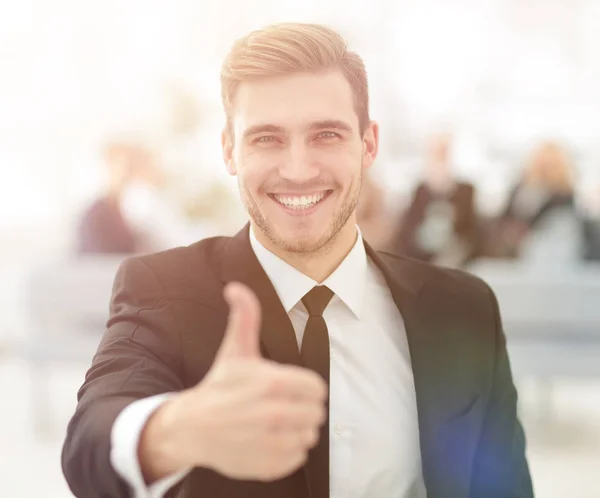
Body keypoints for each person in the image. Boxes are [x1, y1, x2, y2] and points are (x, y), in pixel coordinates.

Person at [62, 23, 533, 498]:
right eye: (267, 138)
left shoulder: (464, 308)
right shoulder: (160, 288)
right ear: (230, 149)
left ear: (368, 144)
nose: (299, 170)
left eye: (326, 135)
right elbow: (89, 445)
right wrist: (177, 431)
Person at [393, 132, 479, 267]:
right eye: (435, 151)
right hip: (422, 250)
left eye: (443, 151)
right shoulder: (421, 190)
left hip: (453, 250)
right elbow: (408, 228)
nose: (439, 155)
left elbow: (470, 230)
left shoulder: (465, 190)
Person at [487, 141, 575, 259]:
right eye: (542, 159)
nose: (544, 164)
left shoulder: (563, 194)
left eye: (549, 161)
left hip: (541, 242)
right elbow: (506, 212)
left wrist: (527, 232)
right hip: (509, 238)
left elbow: (557, 221)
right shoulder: (520, 186)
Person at [77, 141, 163, 255]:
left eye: (129, 168)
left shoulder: (129, 211)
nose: (125, 174)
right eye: (121, 167)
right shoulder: (97, 216)